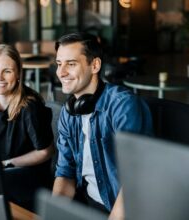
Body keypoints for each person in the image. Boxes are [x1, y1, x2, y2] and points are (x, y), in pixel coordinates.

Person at [52, 32, 153, 219]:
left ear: (95, 65)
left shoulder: (122, 106)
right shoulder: (69, 112)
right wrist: (52, 214)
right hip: (90, 204)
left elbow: (134, 178)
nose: (61, 72)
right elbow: (65, 173)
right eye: (59, 64)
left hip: (125, 210)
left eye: (71, 64)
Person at [0, 44, 55, 209]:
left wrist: (6, 163)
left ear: (18, 73)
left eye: (7, 71)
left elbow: (46, 151)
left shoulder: (30, 106)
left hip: (23, 177)